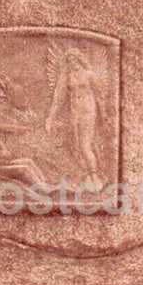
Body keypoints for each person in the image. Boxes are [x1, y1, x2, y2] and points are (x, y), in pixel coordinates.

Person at [45, 50, 106, 191]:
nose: (73, 62)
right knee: (76, 146)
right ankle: (86, 176)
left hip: (88, 113)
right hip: (74, 115)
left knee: (85, 146)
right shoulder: (66, 78)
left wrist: (105, 115)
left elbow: (100, 96)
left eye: (75, 59)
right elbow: (58, 100)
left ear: (80, 59)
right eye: (69, 60)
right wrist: (50, 118)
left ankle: (95, 177)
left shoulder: (89, 75)